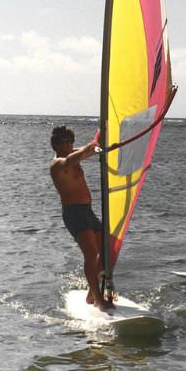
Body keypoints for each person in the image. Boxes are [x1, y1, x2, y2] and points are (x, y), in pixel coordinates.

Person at [49, 125, 113, 310]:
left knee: (106, 250)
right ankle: (99, 300)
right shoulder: (58, 164)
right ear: (55, 145)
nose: (69, 145)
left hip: (88, 211)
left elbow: (89, 150)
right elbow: (74, 157)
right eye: (64, 142)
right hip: (73, 213)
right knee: (91, 254)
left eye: (71, 142)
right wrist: (93, 145)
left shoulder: (74, 155)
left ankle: (91, 293)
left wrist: (106, 145)